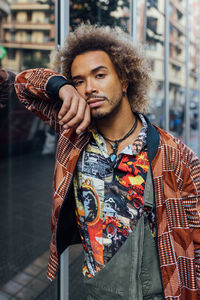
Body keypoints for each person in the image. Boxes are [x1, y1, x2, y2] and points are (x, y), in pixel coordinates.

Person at [13, 24, 200, 299]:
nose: (89, 88)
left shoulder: (176, 155)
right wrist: (62, 88)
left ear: (125, 80)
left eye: (100, 75)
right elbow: (23, 85)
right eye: (79, 80)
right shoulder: (74, 135)